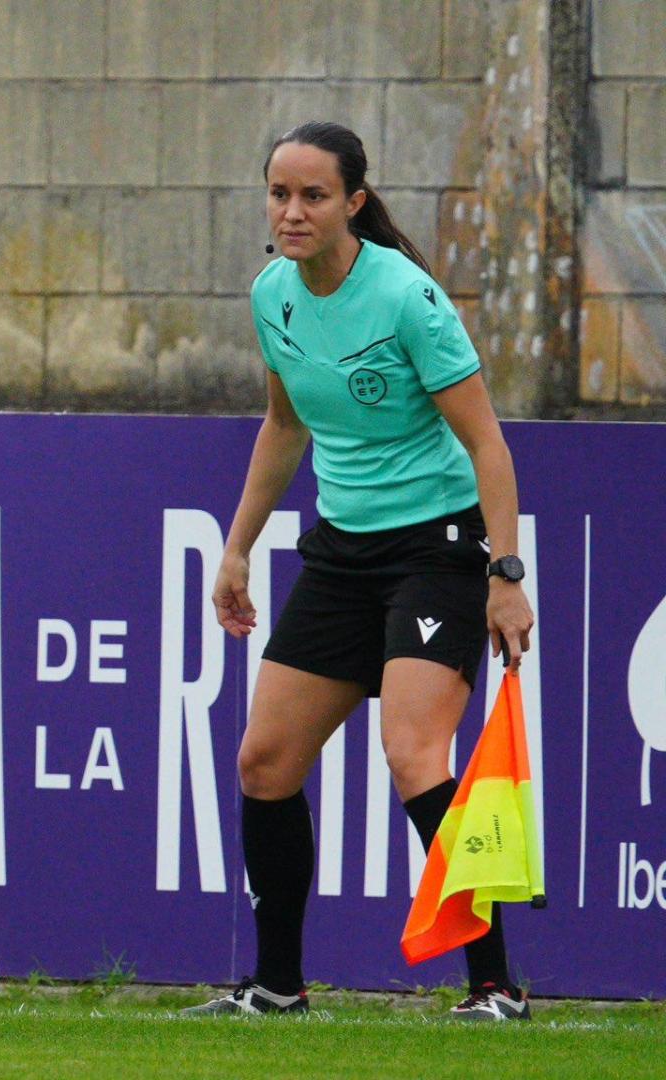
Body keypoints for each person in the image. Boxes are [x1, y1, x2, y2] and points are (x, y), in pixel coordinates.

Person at [184, 121, 537, 1022]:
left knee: (413, 754)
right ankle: (277, 986)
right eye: (278, 194)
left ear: (355, 202)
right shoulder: (273, 295)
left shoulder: (407, 299)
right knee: (264, 764)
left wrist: (504, 572)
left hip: (438, 547)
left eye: (311, 195)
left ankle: (493, 986)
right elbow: (284, 425)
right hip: (342, 550)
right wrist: (237, 547)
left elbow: (487, 442)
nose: (292, 211)